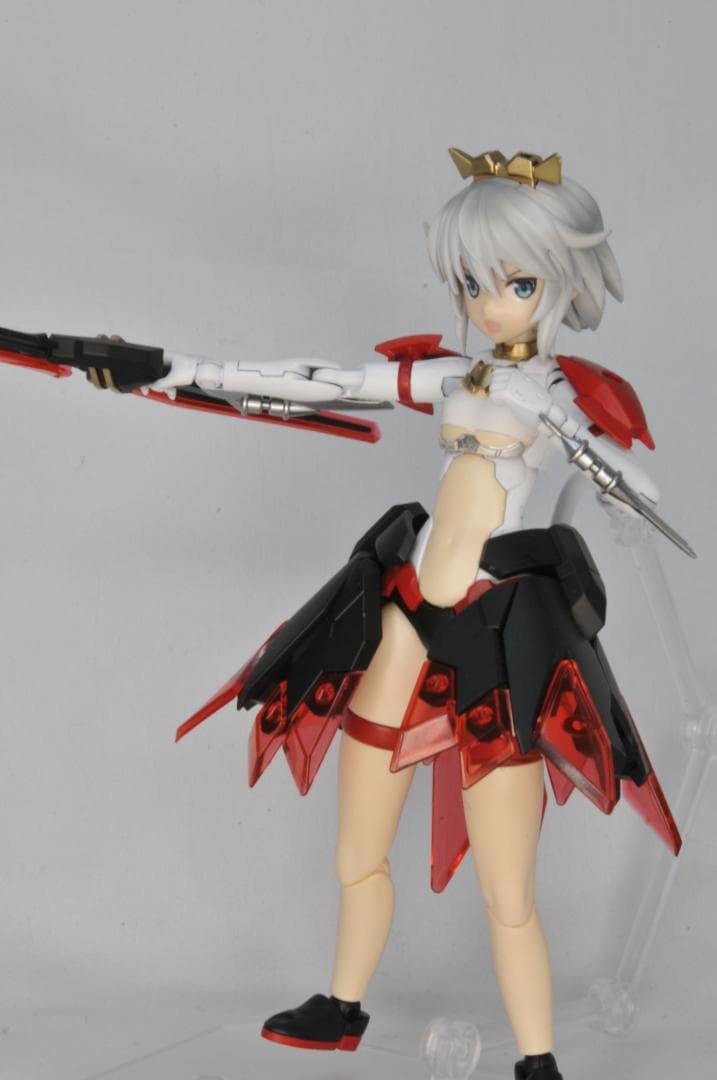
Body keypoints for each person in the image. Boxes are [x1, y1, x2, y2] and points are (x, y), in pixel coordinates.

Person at [162, 149, 683, 1080]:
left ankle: (536, 1061)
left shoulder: (554, 394)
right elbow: (327, 381)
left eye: (515, 283)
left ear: (557, 280)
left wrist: (588, 451)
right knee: (357, 842)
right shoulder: (454, 376)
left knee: (507, 889)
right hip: (406, 614)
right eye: (473, 283)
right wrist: (182, 371)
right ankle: (341, 1005)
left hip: (494, 630)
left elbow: (622, 473)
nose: (490, 305)